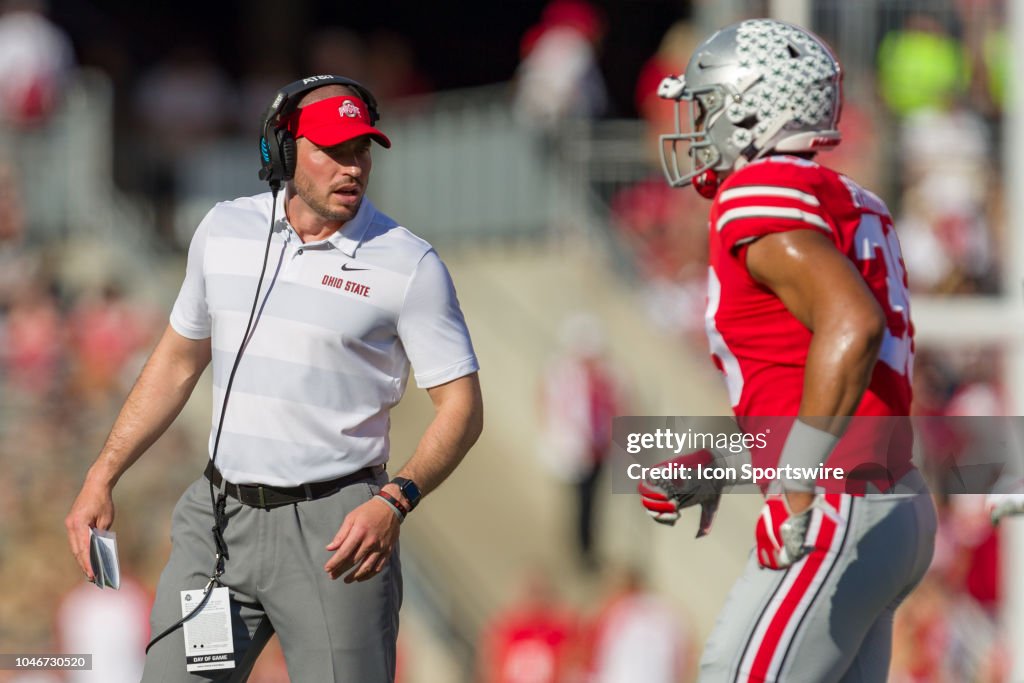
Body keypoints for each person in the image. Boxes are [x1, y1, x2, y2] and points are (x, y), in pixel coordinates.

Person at [64, 75, 483, 682]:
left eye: (361, 150)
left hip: (336, 537)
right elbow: (178, 361)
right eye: (333, 150)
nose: (352, 168)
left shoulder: (409, 264)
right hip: (218, 527)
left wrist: (396, 500)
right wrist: (103, 474)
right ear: (283, 152)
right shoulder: (223, 231)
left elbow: (462, 409)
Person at [635, 19, 939, 681]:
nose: (696, 124)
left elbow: (850, 328)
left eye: (709, 105)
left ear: (753, 109)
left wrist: (795, 480)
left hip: (842, 499)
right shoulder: (850, 199)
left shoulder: (757, 192)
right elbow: (817, 376)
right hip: (889, 499)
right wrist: (722, 463)